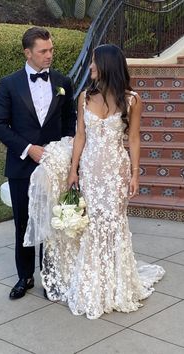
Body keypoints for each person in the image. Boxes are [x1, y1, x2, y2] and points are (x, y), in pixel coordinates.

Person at [41, 44, 165, 319]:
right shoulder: (85, 96)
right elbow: (81, 136)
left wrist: (135, 173)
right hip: (91, 171)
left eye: (94, 63)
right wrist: (74, 170)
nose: (90, 67)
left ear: (107, 65)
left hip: (116, 171)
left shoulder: (132, 100)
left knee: (114, 224)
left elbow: (133, 139)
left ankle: (116, 283)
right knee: (93, 225)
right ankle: (93, 282)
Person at [0, 27, 76, 300]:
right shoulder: (9, 84)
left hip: (54, 166)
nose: (49, 55)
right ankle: (24, 276)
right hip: (21, 167)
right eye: (43, 51)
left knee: (53, 224)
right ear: (28, 53)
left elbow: (69, 123)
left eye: (51, 49)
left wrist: (63, 154)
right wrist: (28, 149)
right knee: (23, 223)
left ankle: (50, 279)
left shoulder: (64, 82)